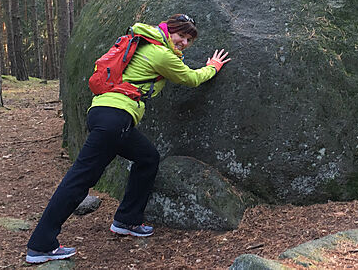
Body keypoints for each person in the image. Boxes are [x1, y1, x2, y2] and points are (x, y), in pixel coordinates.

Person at [25, 14, 231, 263]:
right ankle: (41, 245)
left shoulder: (143, 41)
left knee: (147, 157)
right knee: (79, 179)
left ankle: (127, 220)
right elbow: (190, 78)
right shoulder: (160, 53)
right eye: (181, 36)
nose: (184, 43)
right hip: (115, 118)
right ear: (169, 31)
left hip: (105, 114)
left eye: (189, 39)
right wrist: (213, 67)